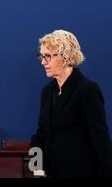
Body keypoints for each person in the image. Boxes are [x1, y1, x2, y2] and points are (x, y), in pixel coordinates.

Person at [31, 30, 112, 177]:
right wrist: (36, 169)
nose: (43, 62)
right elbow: (40, 134)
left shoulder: (87, 89)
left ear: (65, 57)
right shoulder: (48, 91)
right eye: (41, 56)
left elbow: (100, 139)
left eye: (48, 56)